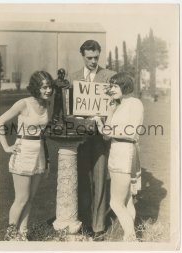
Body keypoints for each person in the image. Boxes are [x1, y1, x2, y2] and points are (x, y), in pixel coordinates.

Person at [0, 71, 54, 241]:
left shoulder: (46, 104)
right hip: (23, 152)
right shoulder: (23, 103)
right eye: (44, 87)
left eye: (50, 86)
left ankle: (23, 235)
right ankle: (11, 235)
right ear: (36, 87)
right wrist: (6, 146)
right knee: (21, 198)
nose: (48, 90)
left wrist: (48, 158)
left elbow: (42, 134)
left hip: (39, 152)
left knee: (30, 198)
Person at [69, 40, 115, 240]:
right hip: (79, 139)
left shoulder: (109, 77)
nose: (93, 61)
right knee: (81, 181)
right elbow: (66, 109)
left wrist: (104, 117)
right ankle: (83, 221)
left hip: (100, 139)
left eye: (96, 57)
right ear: (82, 56)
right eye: (89, 58)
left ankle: (98, 227)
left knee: (100, 181)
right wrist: (77, 118)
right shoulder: (73, 78)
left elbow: (117, 105)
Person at [94, 72, 144, 241]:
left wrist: (105, 129)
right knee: (127, 200)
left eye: (115, 86)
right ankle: (129, 236)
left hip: (126, 152)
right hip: (115, 152)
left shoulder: (134, 103)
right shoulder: (116, 106)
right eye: (111, 86)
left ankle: (131, 239)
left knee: (115, 203)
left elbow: (133, 133)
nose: (111, 89)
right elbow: (107, 136)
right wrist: (107, 114)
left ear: (124, 86)